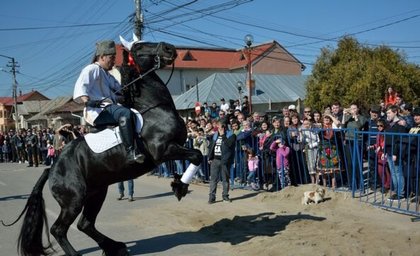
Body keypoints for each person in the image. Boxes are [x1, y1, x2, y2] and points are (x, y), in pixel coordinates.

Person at [73, 40, 144, 164]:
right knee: (124, 114)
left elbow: (119, 90)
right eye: (111, 58)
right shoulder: (92, 69)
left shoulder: (107, 74)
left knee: (131, 111)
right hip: (97, 110)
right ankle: (130, 151)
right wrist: (87, 101)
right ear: (102, 57)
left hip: (108, 107)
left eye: (114, 58)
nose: (113, 61)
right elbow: (81, 86)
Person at [207, 121, 237, 204]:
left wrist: (223, 135)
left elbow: (228, 145)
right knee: (213, 180)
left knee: (225, 179)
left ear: (224, 127)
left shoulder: (231, 135)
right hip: (215, 160)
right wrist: (210, 157)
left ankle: (225, 196)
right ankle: (212, 197)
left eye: (220, 126)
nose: (219, 127)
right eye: (218, 126)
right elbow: (211, 146)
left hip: (225, 161)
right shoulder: (215, 135)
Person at [383, 105, 407, 200]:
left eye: (389, 113)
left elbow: (399, 140)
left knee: (398, 173)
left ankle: (400, 194)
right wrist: (385, 152)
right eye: (387, 113)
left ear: (395, 112)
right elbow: (387, 139)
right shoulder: (389, 124)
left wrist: (395, 153)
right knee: (393, 173)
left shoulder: (400, 124)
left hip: (395, 152)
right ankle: (396, 192)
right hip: (388, 152)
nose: (387, 115)